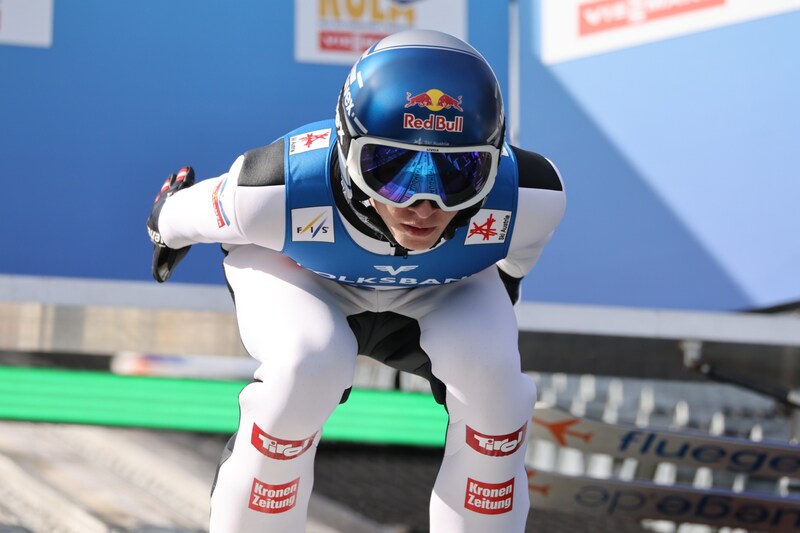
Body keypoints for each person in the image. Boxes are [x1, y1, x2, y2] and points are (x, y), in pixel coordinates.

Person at [146, 29, 565, 533]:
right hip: (303, 278)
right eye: (391, 169)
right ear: (346, 151)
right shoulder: (274, 188)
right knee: (306, 368)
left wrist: (164, 234)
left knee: (496, 393)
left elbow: (510, 267)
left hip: (439, 292)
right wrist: (164, 225)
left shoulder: (531, 198)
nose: (422, 206)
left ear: (495, 162)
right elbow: (174, 215)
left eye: (458, 173)